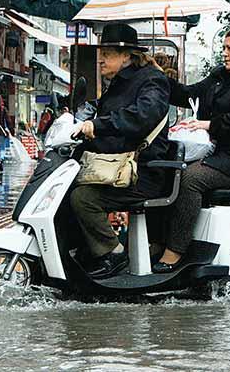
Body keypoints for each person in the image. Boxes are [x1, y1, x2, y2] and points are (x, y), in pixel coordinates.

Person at [152, 25, 230, 273]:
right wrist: (156, 78)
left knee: (190, 179)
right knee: (167, 170)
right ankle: (157, 241)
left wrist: (209, 124)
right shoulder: (221, 76)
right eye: (223, 48)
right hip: (224, 156)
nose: (224, 53)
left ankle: (175, 251)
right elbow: (188, 94)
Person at [70, 23, 171, 279]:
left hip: (143, 172)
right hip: (116, 166)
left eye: (108, 53)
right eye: (100, 52)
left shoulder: (152, 80)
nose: (100, 58)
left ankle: (112, 253)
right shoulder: (117, 82)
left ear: (126, 55)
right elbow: (102, 114)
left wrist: (98, 125)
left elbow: (140, 117)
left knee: (84, 198)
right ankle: (84, 250)